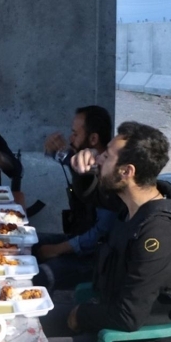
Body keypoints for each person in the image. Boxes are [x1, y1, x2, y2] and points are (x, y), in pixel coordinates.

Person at [42, 121, 171, 342]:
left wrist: (81, 314)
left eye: (106, 156)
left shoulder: (160, 233)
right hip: (109, 321)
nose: (98, 159)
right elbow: (92, 195)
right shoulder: (131, 207)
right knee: (22, 323)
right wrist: (81, 168)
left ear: (126, 171)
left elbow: (128, 317)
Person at [32, 105, 118, 291]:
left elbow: (99, 235)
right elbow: (67, 158)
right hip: (78, 236)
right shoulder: (81, 161)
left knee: (41, 276)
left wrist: (57, 249)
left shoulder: (108, 180)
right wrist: (52, 149)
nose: (70, 138)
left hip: (96, 257)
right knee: (28, 242)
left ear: (93, 139)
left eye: (75, 134)